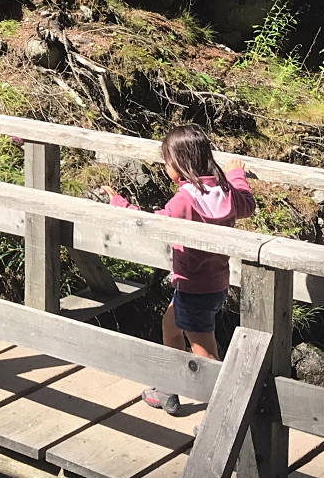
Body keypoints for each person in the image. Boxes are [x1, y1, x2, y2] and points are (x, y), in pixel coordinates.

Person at [97, 125, 255, 415]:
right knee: (171, 325)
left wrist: (119, 204)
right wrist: (236, 175)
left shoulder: (185, 199)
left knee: (205, 351)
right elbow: (248, 205)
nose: (166, 167)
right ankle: (168, 387)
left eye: (168, 162)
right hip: (214, 283)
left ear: (180, 164)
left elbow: (154, 225)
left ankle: (224, 414)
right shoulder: (225, 190)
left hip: (193, 286)